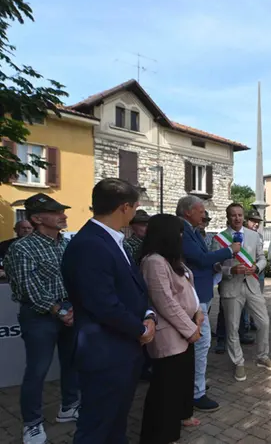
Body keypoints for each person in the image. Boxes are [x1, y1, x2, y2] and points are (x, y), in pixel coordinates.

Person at [61, 179, 154, 444]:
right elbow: (103, 303)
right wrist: (140, 330)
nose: (136, 212)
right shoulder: (91, 244)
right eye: (136, 206)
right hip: (105, 353)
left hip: (121, 351)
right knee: (97, 427)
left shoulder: (112, 240)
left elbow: (134, 289)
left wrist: (149, 315)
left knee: (116, 423)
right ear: (125, 207)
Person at [5, 195, 77, 444]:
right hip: (40, 317)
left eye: (62, 211)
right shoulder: (22, 248)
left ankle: (68, 407)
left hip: (68, 311)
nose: (64, 215)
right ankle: (32, 424)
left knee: (71, 363)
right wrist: (61, 311)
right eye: (56, 212)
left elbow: (74, 278)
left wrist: (73, 309)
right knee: (37, 370)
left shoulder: (64, 244)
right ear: (36, 218)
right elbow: (28, 288)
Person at [138, 214, 202, 444]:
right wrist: (190, 328)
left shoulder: (173, 260)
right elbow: (164, 301)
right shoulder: (154, 261)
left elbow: (188, 288)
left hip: (186, 329)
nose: (182, 237)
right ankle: (161, 436)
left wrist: (198, 313)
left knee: (181, 382)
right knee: (165, 390)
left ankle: (179, 418)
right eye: (179, 232)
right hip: (170, 333)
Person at [178, 195, 240, 412]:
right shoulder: (184, 232)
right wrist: (229, 251)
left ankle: (196, 385)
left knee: (199, 343)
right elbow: (200, 259)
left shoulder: (193, 231)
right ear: (188, 212)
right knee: (201, 343)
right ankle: (196, 392)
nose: (204, 214)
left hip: (201, 293)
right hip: (194, 297)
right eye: (201, 210)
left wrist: (214, 267)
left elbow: (202, 261)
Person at [210, 203, 271, 382]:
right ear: (228, 217)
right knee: (232, 328)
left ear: (243, 217)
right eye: (233, 215)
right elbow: (214, 265)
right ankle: (238, 362)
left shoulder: (254, 235)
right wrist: (230, 271)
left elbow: (262, 258)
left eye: (240, 215)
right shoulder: (219, 239)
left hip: (252, 284)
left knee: (264, 322)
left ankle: (262, 356)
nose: (237, 218)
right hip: (231, 287)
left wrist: (256, 267)